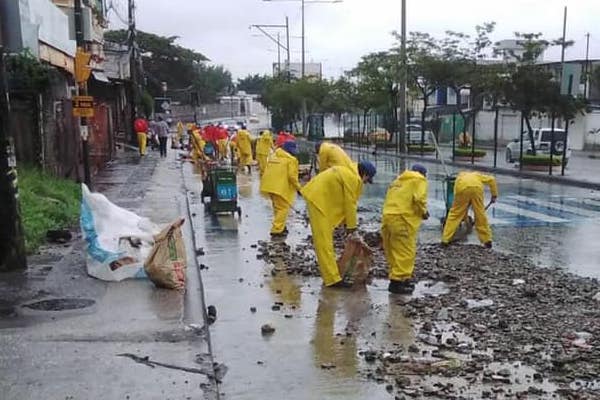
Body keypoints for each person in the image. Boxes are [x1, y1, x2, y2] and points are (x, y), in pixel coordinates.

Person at [301, 161, 376, 288]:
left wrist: (347, 226)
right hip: (318, 201)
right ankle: (332, 280)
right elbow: (350, 204)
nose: (364, 183)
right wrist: (352, 229)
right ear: (365, 175)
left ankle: (332, 275)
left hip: (319, 198)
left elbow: (342, 199)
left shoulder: (347, 171)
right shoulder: (353, 178)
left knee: (325, 241)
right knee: (324, 243)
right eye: (367, 180)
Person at [381, 164, 429, 294]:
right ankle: (399, 282)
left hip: (387, 218)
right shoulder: (419, 179)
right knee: (405, 251)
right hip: (403, 219)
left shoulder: (397, 181)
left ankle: (395, 277)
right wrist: (423, 212)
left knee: (393, 249)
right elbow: (419, 198)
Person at [441, 171, 498, 248]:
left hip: (462, 189)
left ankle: (445, 239)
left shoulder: (459, 179)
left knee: (455, 215)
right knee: (480, 215)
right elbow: (492, 179)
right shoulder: (477, 175)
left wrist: (464, 214)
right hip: (477, 189)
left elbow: (458, 199)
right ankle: (487, 240)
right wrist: (494, 195)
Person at [260, 141, 301, 237]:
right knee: (283, 208)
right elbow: (292, 177)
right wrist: (299, 188)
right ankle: (276, 230)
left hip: (268, 185)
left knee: (277, 208)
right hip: (280, 188)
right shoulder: (291, 160)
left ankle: (281, 226)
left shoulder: (273, 156)